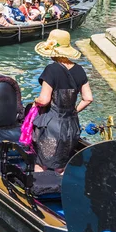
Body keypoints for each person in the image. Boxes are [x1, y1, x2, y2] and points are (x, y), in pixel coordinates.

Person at [32, 29, 93, 173]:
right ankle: (60, 192)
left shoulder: (51, 70)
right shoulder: (80, 70)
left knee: (42, 162)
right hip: (72, 126)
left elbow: (45, 100)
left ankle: (37, 193)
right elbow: (88, 98)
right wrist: (72, 112)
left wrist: (35, 102)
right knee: (61, 165)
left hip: (52, 127)